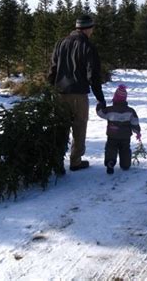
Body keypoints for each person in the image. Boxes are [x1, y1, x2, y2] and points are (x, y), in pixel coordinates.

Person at [48, 14, 106, 173]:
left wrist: (50, 90)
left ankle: (57, 162)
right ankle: (75, 161)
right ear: (88, 29)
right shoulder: (88, 46)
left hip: (59, 92)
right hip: (78, 94)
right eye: (92, 28)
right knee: (79, 127)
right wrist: (100, 98)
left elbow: (52, 69)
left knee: (60, 128)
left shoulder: (61, 43)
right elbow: (93, 76)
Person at [96, 84, 141, 174]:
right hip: (125, 136)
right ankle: (125, 164)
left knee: (111, 149)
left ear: (115, 98)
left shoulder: (110, 110)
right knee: (125, 150)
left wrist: (100, 104)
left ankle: (110, 162)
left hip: (112, 134)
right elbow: (135, 122)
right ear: (125, 99)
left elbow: (100, 113)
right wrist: (137, 132)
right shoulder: (130, 111)